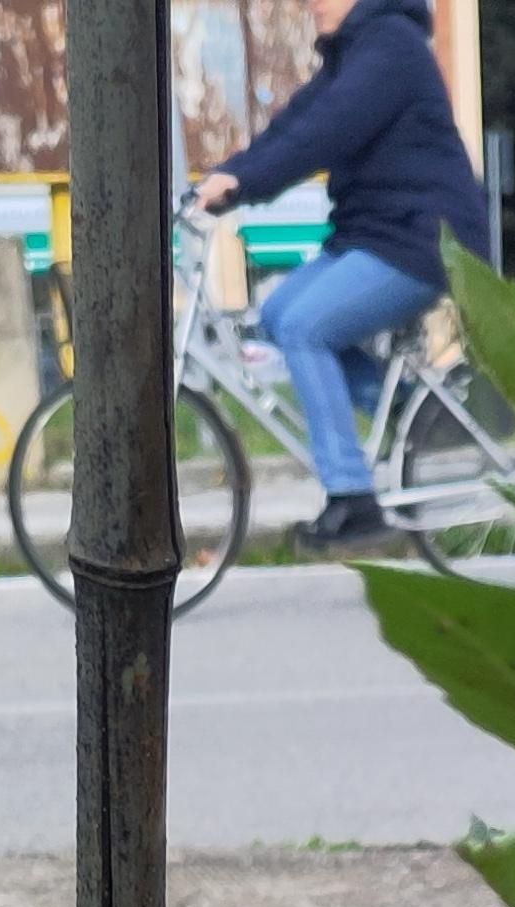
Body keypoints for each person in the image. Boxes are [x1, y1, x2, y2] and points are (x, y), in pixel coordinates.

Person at [197, 0, 489, 558]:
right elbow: (294, 125)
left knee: (307, 327)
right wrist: (228, 174)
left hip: (425, 240)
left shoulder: (392, 48)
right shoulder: (354, 56)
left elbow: (326, 133)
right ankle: (410, 411)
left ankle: (353, 498)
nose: (312, 5)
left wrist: (246, 184)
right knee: (280, 315)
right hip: (376, 234)